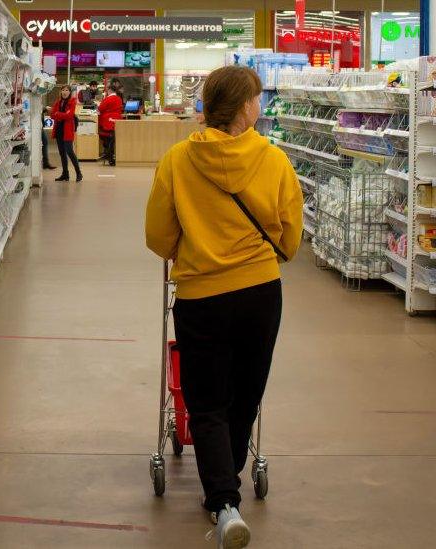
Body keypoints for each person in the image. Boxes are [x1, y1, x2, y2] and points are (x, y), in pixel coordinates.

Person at [144, 66, 303, 548]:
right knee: (246, 393)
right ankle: (225, 485)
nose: (259, 105)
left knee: (206, 400)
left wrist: (190, 245)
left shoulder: (176, 160)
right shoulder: (273, 161)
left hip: (199, 295)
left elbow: (158, 236)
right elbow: (291, 238)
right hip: (258, 293)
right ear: (244, 106)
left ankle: (223, 500)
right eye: (256, 97)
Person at [49, 85, 82, 182]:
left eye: (67, 90)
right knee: (62, 153)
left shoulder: (72, 101)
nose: (64, 92)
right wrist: (60, 115)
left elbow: (69, 115)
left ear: (69, 92)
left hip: (67, 131)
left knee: (70, 152)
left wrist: (58, 114)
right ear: (61, 92)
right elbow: (52, 115)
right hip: (59, 130)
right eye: (63, 90)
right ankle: (65, 174)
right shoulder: (58, 102)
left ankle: (79, 173)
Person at [97, 81, 123, 166]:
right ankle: (110, 155)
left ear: (109, 90)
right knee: (111, 140)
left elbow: (100, 108)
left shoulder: (107, 99)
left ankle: (108, 155)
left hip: (107, 123)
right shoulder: (119, 99)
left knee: (106, 139)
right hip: (117, 123)